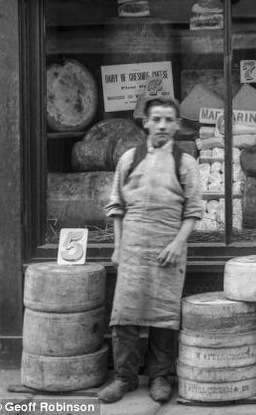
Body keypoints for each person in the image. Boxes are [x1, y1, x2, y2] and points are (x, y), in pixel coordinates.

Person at [97, 97, 203, 404]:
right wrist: (118, 246)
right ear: (145, 122)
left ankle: (159, 377)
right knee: (125, 316)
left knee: (164, 317)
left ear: (177, 125)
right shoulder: (129, 158)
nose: (162, 125)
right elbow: (116, 205)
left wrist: (177, 243)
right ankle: (124, 378)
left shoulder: (186, 163)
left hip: (168, 250)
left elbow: (194, 211)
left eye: (169, 120)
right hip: (132, 247)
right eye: (156, 119)